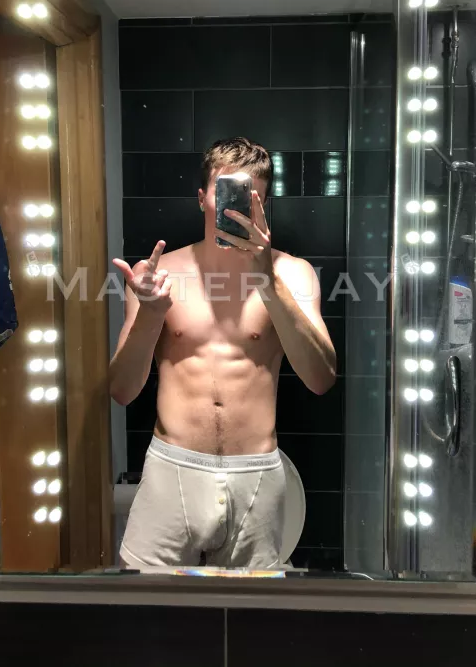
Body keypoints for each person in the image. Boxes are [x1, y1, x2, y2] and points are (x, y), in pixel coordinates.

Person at [110, 137, 336, 570]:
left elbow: (321, 378)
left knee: (252, 611)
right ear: (201, 199)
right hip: (171, 472)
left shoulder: (294, 274)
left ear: (264, 206)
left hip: (257, 477)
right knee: (143, 606)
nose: (235, 211)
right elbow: (122, 390)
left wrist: (267, 282)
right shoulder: (157, 275)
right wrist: (150, 315)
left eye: (250, 199)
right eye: (226, 195)